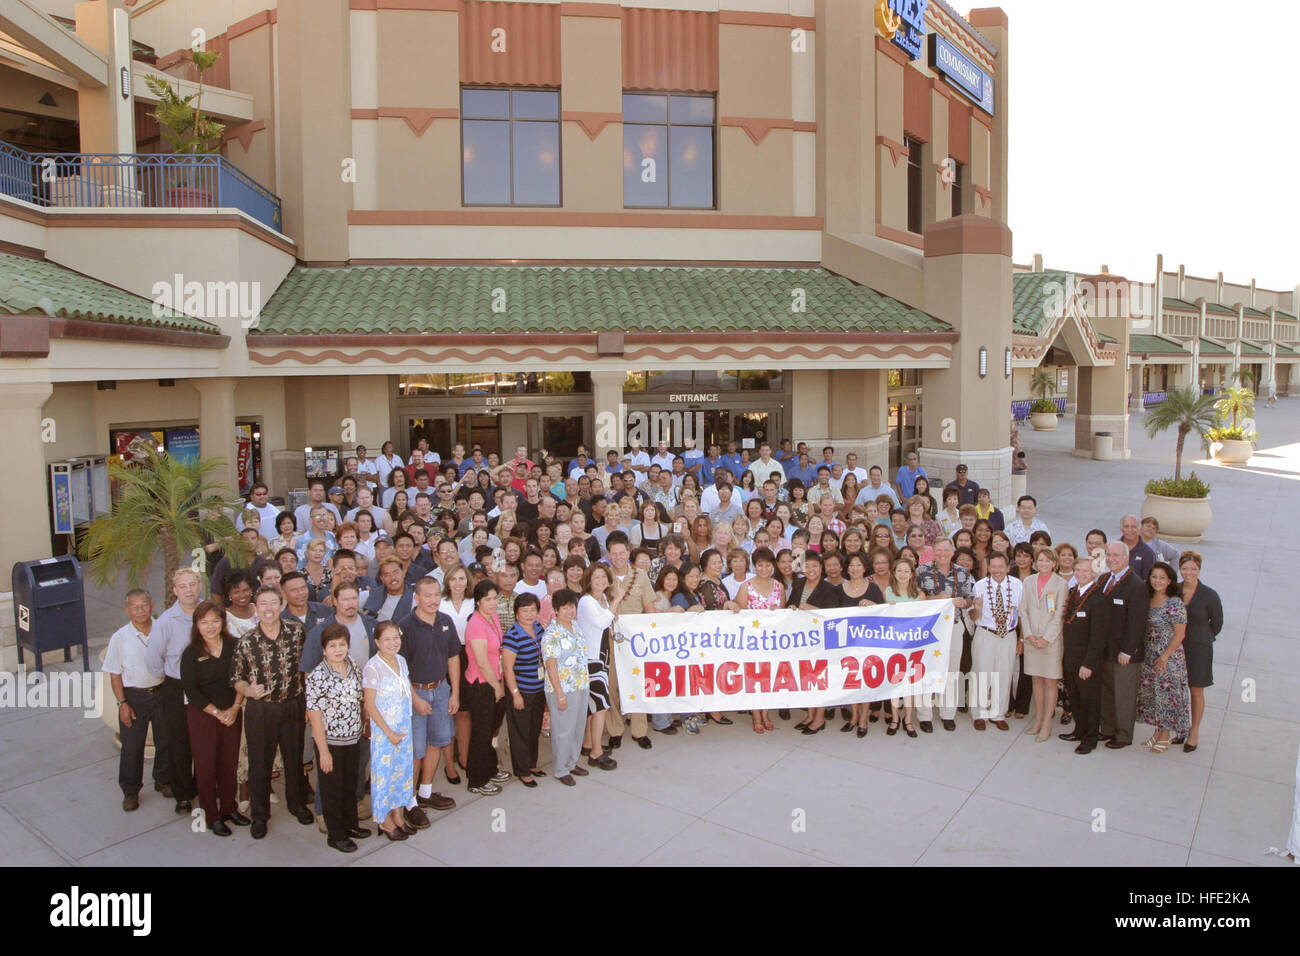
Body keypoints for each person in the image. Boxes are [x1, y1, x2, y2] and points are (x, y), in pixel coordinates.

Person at [230, 586, 314, 839]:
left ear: (281, 604)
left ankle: (296, 804)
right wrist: (248, 691)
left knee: (293, 756)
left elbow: (307, 669)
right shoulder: (247, 641)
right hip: (261, 709)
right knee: (260, 762)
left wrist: (310, 703)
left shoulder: (297, 632)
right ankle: (259, 814)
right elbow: (236, 678)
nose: (268, 608)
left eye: (273, 603)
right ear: (256, 608)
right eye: (262, 603)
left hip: (292, 704)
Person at [180, 600, 245, 835]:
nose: (210, 627)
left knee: (229, 764)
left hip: (232, 713)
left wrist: (235, 708)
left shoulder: (235, 646)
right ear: (197, 625)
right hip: (204, 716)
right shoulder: (191, 654)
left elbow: (243, 677)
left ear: (223, 622)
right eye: (204, 622)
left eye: (215, 621)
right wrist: (217, 713)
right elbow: (191, 691)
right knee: (206, 767)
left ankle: (229, 808)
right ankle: (211, 815)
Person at [305, 623, 370, 852]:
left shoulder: (351, 664)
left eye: (342, 644)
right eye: (332, 646)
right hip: (331, 743)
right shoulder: (317, 677)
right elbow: (314, 717)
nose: (338, 649)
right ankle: (336, 834)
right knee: (332, 789)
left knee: (350, 785)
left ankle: (351, 825)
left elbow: (361, 697)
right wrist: (323, 753)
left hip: (353, 739)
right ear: (323, 649)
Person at [145, 567, 203, 814]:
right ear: (175, 590)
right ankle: (183, 793)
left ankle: (204, 786)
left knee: (205, 740)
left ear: (200, 586)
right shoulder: (166, 621)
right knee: (179, 741)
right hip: (177, 686)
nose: (189, 590)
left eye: (193, 584)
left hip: (206, 686)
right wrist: (171, 676)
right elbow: (153, 660)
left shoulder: (209, 612)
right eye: (183, 586)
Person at [104, 589, 168, 812]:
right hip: (134, 697)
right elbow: (114, 673)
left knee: (165, 740)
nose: (140, 610)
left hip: (162, 693)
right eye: (135, 606)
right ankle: (131, 791)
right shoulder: (120, 638)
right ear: (127, 610)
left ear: (152, 605)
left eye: (144, 605)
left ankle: (163, 780)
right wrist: (123, 703)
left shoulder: (162, 629)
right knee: (132, 747)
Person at [364, 621, 416, 840]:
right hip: (384, 731)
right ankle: (383, 820)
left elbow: (407, 687)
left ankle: (398, 814)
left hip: (404, 726)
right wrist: (388, 732)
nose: (392, 643)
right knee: (384, 775)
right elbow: (370, 705)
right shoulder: (373, 667)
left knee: (402, 772)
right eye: (387, 639)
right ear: (377, 642)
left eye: (396, 638)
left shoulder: (401, 661)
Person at [916, 539, 974, 732]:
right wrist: (936, 599)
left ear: (952, 551)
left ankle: (948, 713)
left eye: (946, 550)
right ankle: (924, 715)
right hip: (929, 630)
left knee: (951, 671)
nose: (942, 553)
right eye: (938, 550)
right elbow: (915, 598)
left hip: (954, 627)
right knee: (925, 670)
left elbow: (969, 599)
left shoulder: (962, 572)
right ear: (934, 552)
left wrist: (962, 603)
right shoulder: (922, 571)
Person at [1097, 541, 1151, 749]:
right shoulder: (1104, 579)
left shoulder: (1136, 586)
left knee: (1124, 695)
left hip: (1125, 653)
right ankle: (1108, 728)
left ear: (1126, 558)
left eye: (1116, 556)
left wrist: (1128, 650)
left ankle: (1123, 735)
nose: (1111, 559)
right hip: (1106, 650)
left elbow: (1137, 623)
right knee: (1108, 692)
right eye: (1108, 555)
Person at [1058, 549, 1110, 754]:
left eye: (1085, 571)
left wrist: (1088, 664)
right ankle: (1079, 730)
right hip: (1070, 657)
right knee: (1076, 698)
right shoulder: (1073, 593)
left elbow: (1099, 637)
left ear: (1094, 574)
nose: (1080, 573)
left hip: (1086, 662)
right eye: (1077, 570)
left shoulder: (1099, 599)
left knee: (1089, 701)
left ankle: (1090, 739)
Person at [463, 579, 511, 794]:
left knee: (491, 729)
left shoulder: (493, 619)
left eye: (494, 598)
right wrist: (497, 687)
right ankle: (476, 779)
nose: (492, 603)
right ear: (478, 602)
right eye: (487, 599)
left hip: (495, 679)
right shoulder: (475, 624)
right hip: (481, 685)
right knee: (481, 733)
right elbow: (481, 662)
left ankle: (490, 769)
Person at [1136, 562, 1189, 753]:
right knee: (1155, 695)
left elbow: (1180, 634)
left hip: (1168, 656)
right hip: (1150, 654)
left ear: (1170, 581)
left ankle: (1165, 735)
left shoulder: (1174, 602)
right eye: (1154, 577)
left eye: (1162, 578)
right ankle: (1157, 733)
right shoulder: (1148, 597)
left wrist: (1165, 656)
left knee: (1167, 696)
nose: (1157, 581)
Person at [1018, 547, 1068, 743]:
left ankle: (1047, 723)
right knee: (1036, 680)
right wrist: (1029, 635)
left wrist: (1046, 638)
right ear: (1035, 562)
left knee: (1050, 681)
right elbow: (1024, 610)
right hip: (1032, 639)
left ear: (1054, 563)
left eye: (1048, 561)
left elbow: (1059, 615)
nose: (1044, 564)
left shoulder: (1060, 584)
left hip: (1051, 641)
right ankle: (1038, 720)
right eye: (1040, 560)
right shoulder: (1029, 581)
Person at [733, 548, 784, 735]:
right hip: (752, 642)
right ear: (755, 566)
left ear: (773, 566)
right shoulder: (746, 586)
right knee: (754, 679)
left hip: (772, 641)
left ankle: (766, 712)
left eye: (768, 565)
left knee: (769, 678)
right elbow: (738, 614)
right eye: (760, 565)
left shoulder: (779, 586)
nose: (764, 568)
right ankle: (756, 714)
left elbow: (784, 614)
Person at [970, 552, 1023, 732]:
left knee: (1004, 674)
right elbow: (973, 616)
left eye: (1001, 566)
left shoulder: (1017, 585)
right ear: (988, 568)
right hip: (985, 633)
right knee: (982, 673)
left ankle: (998, 713)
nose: (997, 570)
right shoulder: (979, 586)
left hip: (1008, 635)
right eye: (993, 566)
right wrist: (976, 609)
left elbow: (1022, 614)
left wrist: (1021, 638)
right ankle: (979, 713)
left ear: (1008, 568)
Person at [541, 589, 589, 787]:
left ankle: (572, 761)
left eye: (572, 606)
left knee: (577, 727)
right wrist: (560, 693)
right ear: (556, 610)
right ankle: (561, 769)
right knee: (563, 729)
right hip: (562, 688)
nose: (570, 611)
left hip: (581, 684)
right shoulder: (551, 634)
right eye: (565, 608)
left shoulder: (576, 626)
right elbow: (550, 665)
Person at [1177, 551, 1222, 752]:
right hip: (1176, 647)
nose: (1189, 572)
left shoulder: (1209, 595)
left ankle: (1194, 731)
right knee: (1177, 689)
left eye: (1193, 568)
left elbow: (1217, 623)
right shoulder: (1174, 590)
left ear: (1199, 570)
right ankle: (1179, 727)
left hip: (1199, 648)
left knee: (1195, 690)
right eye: (1185, 568)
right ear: (1180, 569)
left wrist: (1203, 637)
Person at [577, 563, 620, 768]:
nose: (601, 581)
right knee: (600, 706)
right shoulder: (586, 601)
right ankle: (596, 752)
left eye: (604, 577)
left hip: (601, 656)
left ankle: (588, 743)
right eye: (596, 577)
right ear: (588, 580)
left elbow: (607, 622)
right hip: (591, 659)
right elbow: (602, 622)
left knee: (593, 706)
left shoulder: (601, 599)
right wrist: (616, 602)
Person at [502, 593, 547, 786]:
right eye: (524, 611)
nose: (529, 614)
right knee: (520, 731)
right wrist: (515, 694)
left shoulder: (538, 628)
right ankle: (522, 770)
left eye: (532, 610)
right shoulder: (512, 635)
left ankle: (531, 763)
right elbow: (507, 668)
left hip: (539, 688)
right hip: (522, 691)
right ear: (516, 613)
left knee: (534, 727)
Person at [837, 552, 884, 737]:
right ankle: (854, 716)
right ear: (846, 569)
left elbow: (882, 613)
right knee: (852, 681)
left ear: (864, 568)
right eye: (851, 565)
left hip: (868, 644)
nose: (855, 569)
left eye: (858, 565)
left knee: (866, 682)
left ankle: (863, 718)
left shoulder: (873, 589)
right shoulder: (840, 589)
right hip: (847, 645)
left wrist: (872, 605)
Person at [1119, 514, 1157, 580]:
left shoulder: (1148, 553)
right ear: (1122, 529)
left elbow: (1148, 580)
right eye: (1126, 526)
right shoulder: (1113, 548)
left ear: (1139, 529)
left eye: (1133, 527)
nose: (1130, 530)